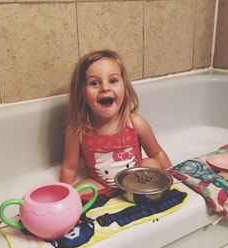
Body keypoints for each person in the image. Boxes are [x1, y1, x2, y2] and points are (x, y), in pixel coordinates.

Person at [60, 50, 171, 195]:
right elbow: (70, 167)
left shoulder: (135, 123)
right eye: (94, 83)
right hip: (100, 183)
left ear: (124, 87)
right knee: (77, 192)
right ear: (82, 92)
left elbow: (157, 153)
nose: (105, 88)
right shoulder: (78, 128)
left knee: (152, 164)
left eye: (113, 81)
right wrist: (63, 196)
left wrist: (174, 177)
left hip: (136, 180)